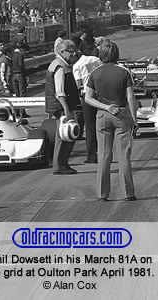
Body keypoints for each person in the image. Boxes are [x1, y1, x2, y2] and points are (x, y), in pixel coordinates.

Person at [85, 41, 138, 202]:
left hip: (102, 115)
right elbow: (130, 97)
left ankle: (102, 193)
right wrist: (134, 119)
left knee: (104, 155)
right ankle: (128, 192)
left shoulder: (94, 73)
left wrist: (106, 107)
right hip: (121, 113)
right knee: (124, 156)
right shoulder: (124, 72)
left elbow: (88, 98)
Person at [45, 40, 81, 175]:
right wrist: (66, 108)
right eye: (71, 52)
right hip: (61, 106)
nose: (73, 55)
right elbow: (59, 91)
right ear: (62, 51)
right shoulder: (60, 67)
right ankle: (60, 164)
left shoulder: (60, 64)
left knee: (66, 134)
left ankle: (62, 164)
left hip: (60, 106)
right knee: (66, 133)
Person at [72, 36, 102, 164]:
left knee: (90, 127)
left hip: (87, 95)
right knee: (102, 125)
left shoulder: (77, 65)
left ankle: (91, 156)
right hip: (100, 93)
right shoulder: (96, 59)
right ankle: (106, 153)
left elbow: (78, 84)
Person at [12, 42, 29, 117]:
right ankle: (23, 112)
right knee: (22, 93)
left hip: (14, 75)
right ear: (21, 48)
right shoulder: (20, 55)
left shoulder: (12, 54)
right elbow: (21, 65)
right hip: (20, 74)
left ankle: (17, 112)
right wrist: (26, 75)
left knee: (17, 94)